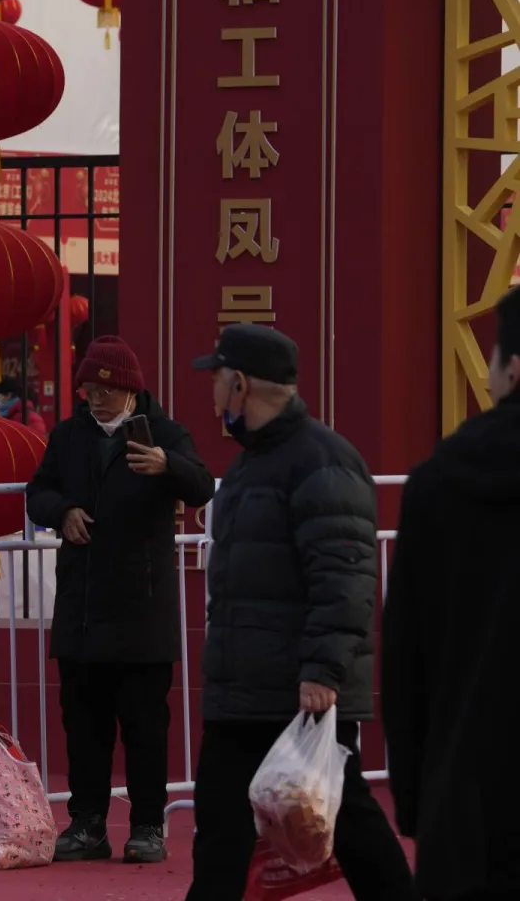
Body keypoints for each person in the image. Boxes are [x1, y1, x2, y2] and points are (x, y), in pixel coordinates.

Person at [184, 324, 415, 900]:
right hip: (245, 686)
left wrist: (322, 668)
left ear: (240, 384)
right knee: (220, 830)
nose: (211, 392)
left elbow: (345, 575)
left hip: (295, 686)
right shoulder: (248, 465)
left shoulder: (322, 461)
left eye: (216, 377)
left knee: (349, 820)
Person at [25, 336, 215, 864]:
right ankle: (86, 824)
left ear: (130, 390)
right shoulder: (68, 436)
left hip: (142, 608)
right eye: (88, 389)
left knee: (145, 726)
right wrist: (61, 510)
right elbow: (36, 491)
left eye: (104, 390)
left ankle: (148, 826)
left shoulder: (166, 433)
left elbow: (203, 486)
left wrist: (167, 465)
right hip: (83, 605)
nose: (94, 399)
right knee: (83, 724)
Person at [383, 285, 520, 901]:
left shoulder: (438, 483)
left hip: (465, 807)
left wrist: (417, 801)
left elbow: (404, 658)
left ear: (511, 370)